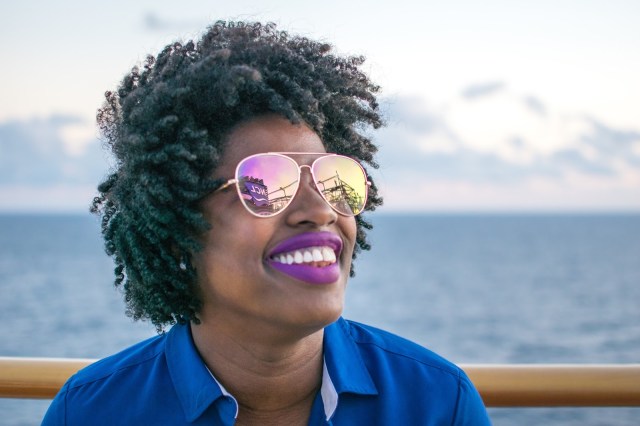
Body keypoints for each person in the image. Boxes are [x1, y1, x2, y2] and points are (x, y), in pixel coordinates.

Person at [42, 21, 491, 425]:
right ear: (179, 231)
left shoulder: (437, 404)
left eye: (334, 180)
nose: (321, 210)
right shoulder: (89, 413)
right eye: (265, 184)